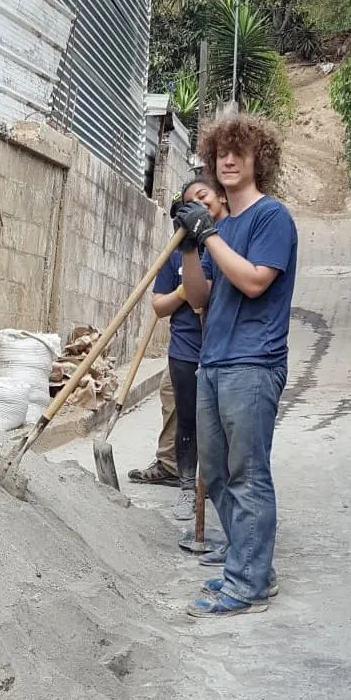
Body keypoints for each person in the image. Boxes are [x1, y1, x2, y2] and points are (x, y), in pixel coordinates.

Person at [174, 114, 298, 618]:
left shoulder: (272, 219)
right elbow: (199, 297)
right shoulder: (219, 230)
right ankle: (251, 566)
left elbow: (252, 281)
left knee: (248, 474)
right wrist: (188, 247)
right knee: (217, 475)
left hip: (254, 362)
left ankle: (247, 584)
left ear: (257, 160)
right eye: (220, 152)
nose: (226, 159)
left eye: (238, 152)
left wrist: (211, 236)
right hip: (214, 360)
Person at [151, 175, 224, 525]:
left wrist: (188, 293)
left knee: (220, 426)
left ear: (220, 197)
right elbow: (159, 305)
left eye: (203, 196)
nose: (198, 204)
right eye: (189, 202)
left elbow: (206, 296)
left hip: (221, 349)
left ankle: (213, 487)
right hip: (184, 347)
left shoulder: (225, 241)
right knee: (186, 422)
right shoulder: (177, 251)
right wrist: (181, 293)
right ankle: (185, 488)